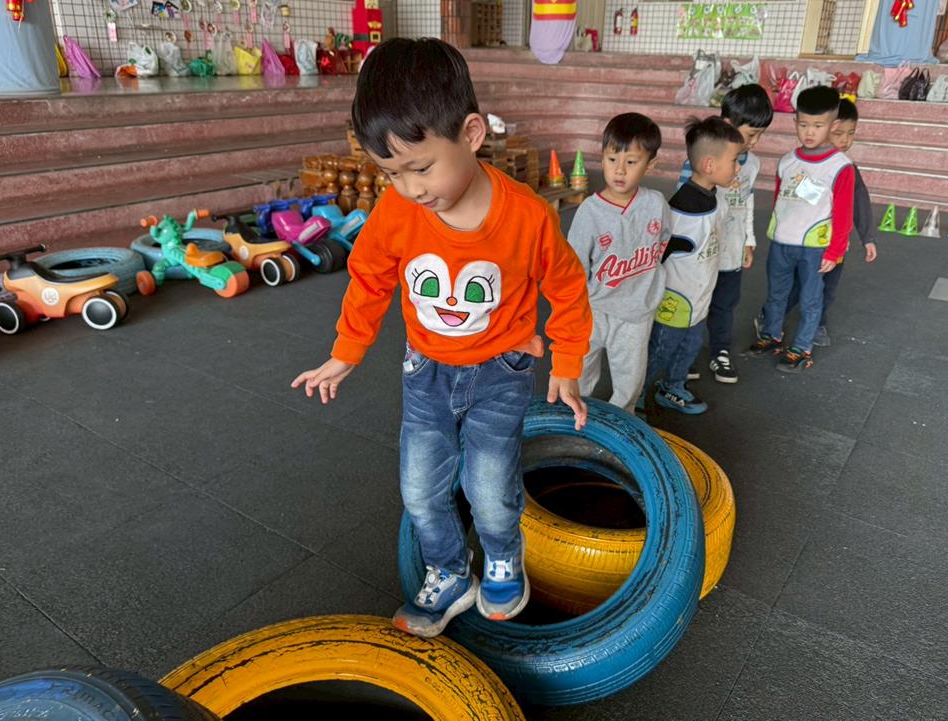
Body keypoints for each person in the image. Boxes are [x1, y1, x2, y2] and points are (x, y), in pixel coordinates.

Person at [291, 38, 592, 638]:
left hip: (501, 370)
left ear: (472, 134)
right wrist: (346, 352)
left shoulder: (527, 216)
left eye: (422, 167)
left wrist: (567, 361)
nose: (410, 188)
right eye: (391, 172)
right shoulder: (397, 212)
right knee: (420, 490)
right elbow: (369, 277)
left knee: (488, 486)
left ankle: (502, 556)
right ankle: (450, 572)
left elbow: (567, 285)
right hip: (425, 371)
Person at [567, 113, 671, 414]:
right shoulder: (590, 211)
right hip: (594, 309)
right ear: (602, 158)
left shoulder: (655, 203)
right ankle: (575, 415)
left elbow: (663, 239)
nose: (620, 170)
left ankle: (623, 420)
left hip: (636, 312)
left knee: (630, 378)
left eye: (632, 161)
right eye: (612, 159)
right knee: (581, 369)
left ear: (650, 165)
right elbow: (574, 264)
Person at [747, 85, 854, 372]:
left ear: (833, 125)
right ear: (795, 121)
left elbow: (844, 214)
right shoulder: (787, 161)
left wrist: (835, 251)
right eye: (803, 124)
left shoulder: (841, 166)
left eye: (818, 126)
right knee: (776, 294)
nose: (809, 132)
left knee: (810, 299)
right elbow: (779, 200)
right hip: (782, 242)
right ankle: (772, 335)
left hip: (815, 248)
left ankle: (803, 347)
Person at [642, 116, 744, 415]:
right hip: (675, 299)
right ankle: (634, 396)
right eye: (734, 161)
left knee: (689, 347)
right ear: (709, 165)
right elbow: (657, 255)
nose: (738, 168)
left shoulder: (718, 200)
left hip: (700, 297)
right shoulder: (679, 210)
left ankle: (673, 388)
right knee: (660, 350)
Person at [676, 84, 773, 384]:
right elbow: (681, 209)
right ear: (728, 124)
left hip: (731, 249)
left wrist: (749, 240)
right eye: (751, 134)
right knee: (696, 301)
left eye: (760, 135)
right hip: (702, 252)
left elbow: (747, 201)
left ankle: (720, 351)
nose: (755, 142)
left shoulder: (751, 164)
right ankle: (686, 354)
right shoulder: (701, 162)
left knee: (725, 304)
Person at [776, 98, 878, 347]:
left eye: (851, 133)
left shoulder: (846, 168)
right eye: (838, 133)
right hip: (804, 241)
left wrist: (868, 237)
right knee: (795, 285)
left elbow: (859, 201)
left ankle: (818, 323)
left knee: (827, 287)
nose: (845, 140)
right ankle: (771, 318)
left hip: (834, 243)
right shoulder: (798, 163)